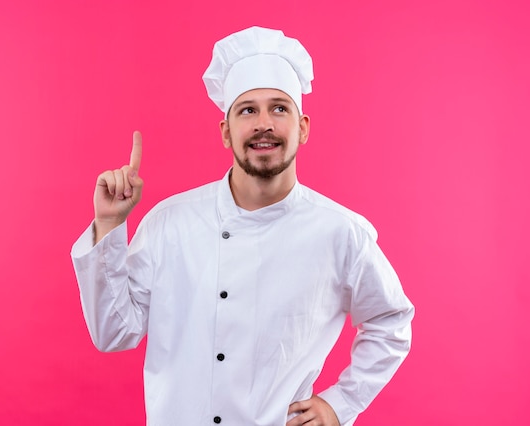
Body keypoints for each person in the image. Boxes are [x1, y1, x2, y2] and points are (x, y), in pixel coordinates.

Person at [71, 26, 414, 426]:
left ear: (302, 127)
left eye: (279, 108)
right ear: (225, 131)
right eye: (247, 110)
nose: (263, 124)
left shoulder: (341, 233)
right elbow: (114, 333)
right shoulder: (170, 223)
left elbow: (392, 319)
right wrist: (108, 226)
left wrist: (341, 403)